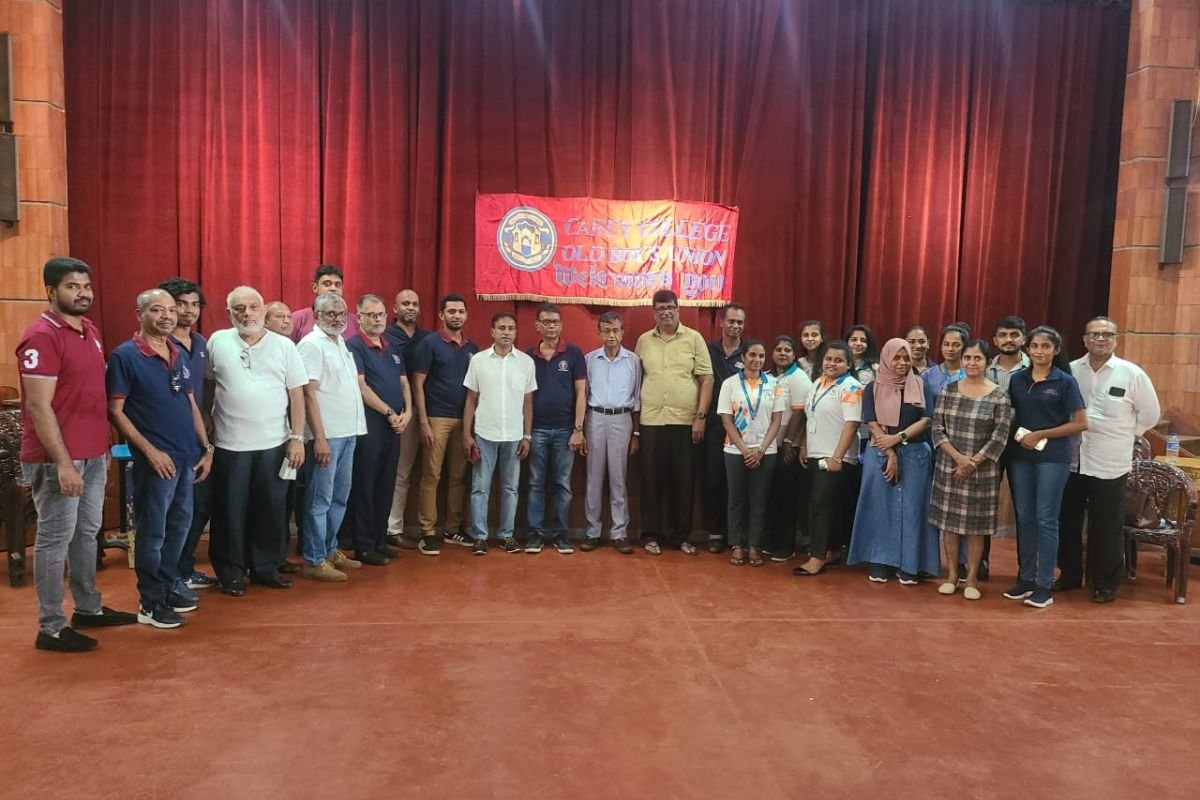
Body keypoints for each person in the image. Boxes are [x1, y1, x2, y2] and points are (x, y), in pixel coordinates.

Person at [18, 258, 136, 652]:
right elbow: (39, 406)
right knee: (54, 539)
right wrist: (64, 463)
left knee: (86, 532)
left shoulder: (89, 330)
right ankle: (51, 627)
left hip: (92, 453)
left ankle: (88, 608)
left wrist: (101, 446)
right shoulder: (41, 336)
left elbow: (89, 395)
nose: (82, 293)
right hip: (58, 460)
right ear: (51, 291)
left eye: (86, 286)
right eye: (72, 286)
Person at [107, 289, 215, 628]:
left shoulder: (176, 352)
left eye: (171, 309)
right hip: (157, 461)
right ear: (139, 314)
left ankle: (169, 586)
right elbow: (115, 411)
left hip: (187, 457)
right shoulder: (125, 355)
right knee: (152, 532)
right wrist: (149, 451)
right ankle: (150, 602)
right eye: (157, 309)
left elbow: (190, 403)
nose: (167, 315)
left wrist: (206, 448)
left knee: (179, 528)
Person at [205, 286, 307, 596]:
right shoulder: (217, 341)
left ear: (263, 310)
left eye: (253, 307)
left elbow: (296, 395)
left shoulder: (284, 346)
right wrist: (206, 421)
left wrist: (297, 438)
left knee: (271, 509)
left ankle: (266, 567)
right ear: (229, 313)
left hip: (274, 443)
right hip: (229, 443)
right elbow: (208, 385)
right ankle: (231, 572)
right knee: (229, 512)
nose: (246, 314)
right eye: (239, 309)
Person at [1057, 317, 1161, 603]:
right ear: (1084, 339)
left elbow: (1150, 415)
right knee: (1068, 521)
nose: (1100, 339)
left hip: (1110, 461)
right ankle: (1069, 575)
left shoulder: (1132, 374)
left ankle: (1104, 583)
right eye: (1094, 334)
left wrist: (1125, 434)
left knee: (1106, 525)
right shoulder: (1070, 370)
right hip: (1072, 460)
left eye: (1106, 334)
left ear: (1115, 339)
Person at [1003, 326, 1088, 609]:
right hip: (1021, 456)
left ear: (1056, 350)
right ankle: (1026, 578)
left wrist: (1042, 434)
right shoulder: (1017, 380)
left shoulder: (1064, 381)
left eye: (1046, 346)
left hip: (1054, 457)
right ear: (1027, 349)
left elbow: (1081, 423)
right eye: (1035, 346)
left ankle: (1043, 584)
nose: (1040, 351)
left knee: (1046, 519)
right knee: (1025, 517)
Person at [847, 338, 940, 583]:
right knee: (879, 507)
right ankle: (879, 561)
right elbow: (872, 422)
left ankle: (910, 564)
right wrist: (890, 452)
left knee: (913, 510)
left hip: (915, 454)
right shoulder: (873, 387)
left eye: (906, 358)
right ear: (886, 358)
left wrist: (898, 438)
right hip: (879, 453)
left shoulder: (920, 385)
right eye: (896, 357)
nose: (902, 362)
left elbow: (927, 419)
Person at [928, 340, 1014, 599]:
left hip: (982, 471)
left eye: (977, 358)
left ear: (987, 362)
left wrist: (972, 462)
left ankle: (972, 579)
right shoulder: (948, 390)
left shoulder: (999, 395)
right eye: (967, 358)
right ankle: (953, 575)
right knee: (950, 525)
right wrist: (958, 459)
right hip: (949, 466)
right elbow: (937, 429)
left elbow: (1000, 436)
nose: (972, 363)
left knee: (976, 527)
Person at [635, 289, 714, 555]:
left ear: (678, 309)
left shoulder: (694, 338)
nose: (666, 312)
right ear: (654, 313)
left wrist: (700, 416)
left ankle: (680, 536)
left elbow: (706, 379)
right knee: (651, 480)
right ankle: (651, 535)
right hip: (651, 421)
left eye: (670, 307)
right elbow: (636, 379)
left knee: (683, 481)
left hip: (685, 422)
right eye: (660, 308)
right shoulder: (644, 341)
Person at [296, 293, 368, 581]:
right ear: (316, 315)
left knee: (339, 497)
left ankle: (329, 549)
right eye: (330, 313)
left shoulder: (340, 343)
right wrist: (320, 438)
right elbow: (308, 393)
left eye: (341, 313)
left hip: (348, 432)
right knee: (320, 499)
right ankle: (314, 559)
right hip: (327, 436)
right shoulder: (311, 345)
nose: (337, 318)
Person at [159, 277, 219, 591]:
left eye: (194, 304)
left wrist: (207, 414)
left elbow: (206, 384)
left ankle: (184, 568)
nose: (188, 311)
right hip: (168, 438)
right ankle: (167, 577)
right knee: (172, 512)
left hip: (197, 436)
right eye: (181, 304)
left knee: (199, 506)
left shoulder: (201, 343)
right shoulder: (159, 343)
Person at [345, 294, 413, 566]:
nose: (377, 320)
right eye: (371, 315)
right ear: (359, 317)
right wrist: (388, 412)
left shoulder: (392, 347)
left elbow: (404, 382)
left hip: (395, 425)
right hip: (370, 424)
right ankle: (363, 545)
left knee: (386, 483)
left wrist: (408, 412)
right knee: (366, 484)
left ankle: (379, 540)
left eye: (381, 315)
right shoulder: (354, 346)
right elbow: (360, 387)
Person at [462, 313, 536, 555]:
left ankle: (506, 535)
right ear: (492, 331)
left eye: (511, 328)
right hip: (484, 433)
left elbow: (528, 402)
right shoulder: (478, 361)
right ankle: (480, 537)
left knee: (510, 488)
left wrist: (527, 436)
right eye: (501, 328)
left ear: (516, 332)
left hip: (514, 435)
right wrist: (467, 434)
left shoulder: (526, 362)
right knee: (480, 488)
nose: (506, 332)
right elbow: (470, 400)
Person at [411, 293, 479, 555]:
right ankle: (427, 532)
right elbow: (418, 384)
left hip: (464, 420)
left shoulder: (472, 348)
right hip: (436, 418)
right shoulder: (429, 344)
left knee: (458, 476)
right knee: (432, 475)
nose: (456, 316)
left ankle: (452, 529)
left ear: (466, 315)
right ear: (442, 315)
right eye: (451, 311)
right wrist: (423, 421)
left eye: (461, 311)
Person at [792, 341, 864, 577]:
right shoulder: (818, 383)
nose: (832, 363)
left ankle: (817, 557)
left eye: (838, 360)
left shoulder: (851, 387)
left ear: (849, 364)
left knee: (820, 506)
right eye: (828, 359)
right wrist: (804, 444)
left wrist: (837, 457)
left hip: (835, 456)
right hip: (815, 452)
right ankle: (832, 550)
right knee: (824, 505)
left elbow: (852, 424)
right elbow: (810, 416)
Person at [524, 303, 587, 554]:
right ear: (537, 326)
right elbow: (526, 397)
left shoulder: (573, 353)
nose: (552, 326)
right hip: (537, 430)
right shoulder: (528, 357)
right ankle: (535, 535)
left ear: (561, 325)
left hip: (565, 431)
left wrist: (578, 429)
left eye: (556, 322)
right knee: (535, 484)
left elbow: (581, 393)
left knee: (563, 484)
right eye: (547, 322)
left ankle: (561, 535)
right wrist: (526, 432)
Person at [718, 340, 785, 567]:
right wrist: (746, 450)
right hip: (735, 450)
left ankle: (755, 546)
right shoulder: (729, 384)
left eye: (761, 356)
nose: (757, 360)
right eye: (752, 355)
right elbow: (726, 420)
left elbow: (777, 420)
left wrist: (761, 450)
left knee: (759, 501)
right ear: (743, 357)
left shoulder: (774, 384)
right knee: (736, 500)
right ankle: (737, 544)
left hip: (766, 451)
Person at [583, 312, 641, 554]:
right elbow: (583, 395)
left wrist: (635, 433)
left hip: (622, 419)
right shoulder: (589, 360)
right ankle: (592, 531)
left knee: (618, 478)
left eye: (616, 330)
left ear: (622, 332)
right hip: (595, 417)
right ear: (599, 332)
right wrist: (581, 429)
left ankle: (619, 532)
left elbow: (637, 398)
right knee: (594, 478)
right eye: (606, 330)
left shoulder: (633, 361)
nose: (611, 335)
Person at [383, 289, 431, 549]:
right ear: (395, 309)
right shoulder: (385, 337)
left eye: (415, 304)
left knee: (404, 473)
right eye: (405, 303)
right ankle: (382, 528)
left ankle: (394, 527)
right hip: (390, 412)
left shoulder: (427, 338)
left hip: (421, 412)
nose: (410, 308)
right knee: (388, 471)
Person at [702, 303, 746, 554]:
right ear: (721, 323)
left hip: (742, 428)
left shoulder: (749, 353)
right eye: (731, 321)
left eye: (740, 322)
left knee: (736, 482)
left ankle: (735, 534)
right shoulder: (708, 350)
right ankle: (715, 532)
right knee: (713, 478)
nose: (735, 326)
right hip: (712, 425)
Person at [768, 335, 813, 561]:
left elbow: (799, 412)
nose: (783, 353)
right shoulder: (767, 377)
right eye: (778, 349)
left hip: (789, 447)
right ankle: (773, 541)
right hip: (769, 446)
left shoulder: (799, 377)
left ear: (795, 355)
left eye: (787, 350)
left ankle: (786, 546)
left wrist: (788, 441)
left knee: (787, 499)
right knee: (773, 497)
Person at [290, 264, 360, 341]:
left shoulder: (354, 321)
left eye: (337, 285)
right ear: (315, 288)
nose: (333, 288)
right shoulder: (298, 319)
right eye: (327, 284)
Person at [923, 323, 970, 397]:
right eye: (946, 344)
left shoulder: (972, 374)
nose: (950, 349)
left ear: (965, 347)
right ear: (941, 346)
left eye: (956, 345)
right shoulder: (927, 375)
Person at [985, 316, 1030, 391]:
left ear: (1024, 340)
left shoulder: (1034, 367)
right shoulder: (985, 369)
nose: (1008, 340)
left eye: (1014, 335)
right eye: (1002, 335)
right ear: (995, 341)